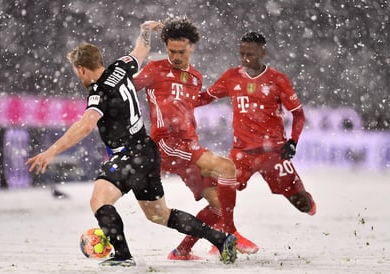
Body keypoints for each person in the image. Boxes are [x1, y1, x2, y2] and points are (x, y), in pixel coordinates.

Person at [25, 21, 238, 267]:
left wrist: (51, 151)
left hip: (128, 155)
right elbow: (141, 50)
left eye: (76, 72)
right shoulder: (120, 67)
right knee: (159, 214)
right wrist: (145, 31)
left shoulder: (98, 91)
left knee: (99, 201)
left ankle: (123, 256)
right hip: (147, 151)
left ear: (81, 69)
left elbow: (85, 125)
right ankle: (221, 239)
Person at [133, 17, 258, 260]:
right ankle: (231, 233)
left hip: (189, 144)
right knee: (226, 167)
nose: (176, 56)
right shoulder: (155, 69)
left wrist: (229, 90)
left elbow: (193, 102)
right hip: (167, 143)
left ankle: (182, 251)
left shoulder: (195, 78)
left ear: (192, 47)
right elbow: (126, 87)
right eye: (171, 51)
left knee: (218, 205)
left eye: (180, 51)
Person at [198, 31, 317, 220]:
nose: (245, 59)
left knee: (301, 204)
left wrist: (293, 141)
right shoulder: (231, 77)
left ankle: (307, 201)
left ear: (262, 53)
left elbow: (298, 114)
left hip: (273, 153)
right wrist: (182, 100)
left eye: (250, 54)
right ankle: (217, 240)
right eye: (242, 54)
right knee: (220, 198)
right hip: (242, 153)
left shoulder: (277, 80)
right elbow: (205, 98)